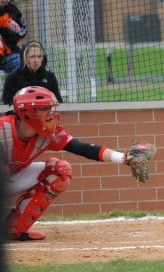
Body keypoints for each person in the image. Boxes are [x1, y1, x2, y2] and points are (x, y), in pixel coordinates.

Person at [2, 86, 152, 241]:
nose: (50, 114)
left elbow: (82, 148)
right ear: (27, 112)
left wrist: (122, 158)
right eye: (44, 109)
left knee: (60, 171)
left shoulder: (48, 133)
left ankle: (15, 228)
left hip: (12, 177)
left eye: (50, 108)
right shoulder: (3, 128)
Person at [0, 0, 28, 74]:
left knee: (22, 64)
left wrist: (9, 33)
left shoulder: (12, 11)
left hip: (9, 55)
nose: (8, 0)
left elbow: (22, 32)